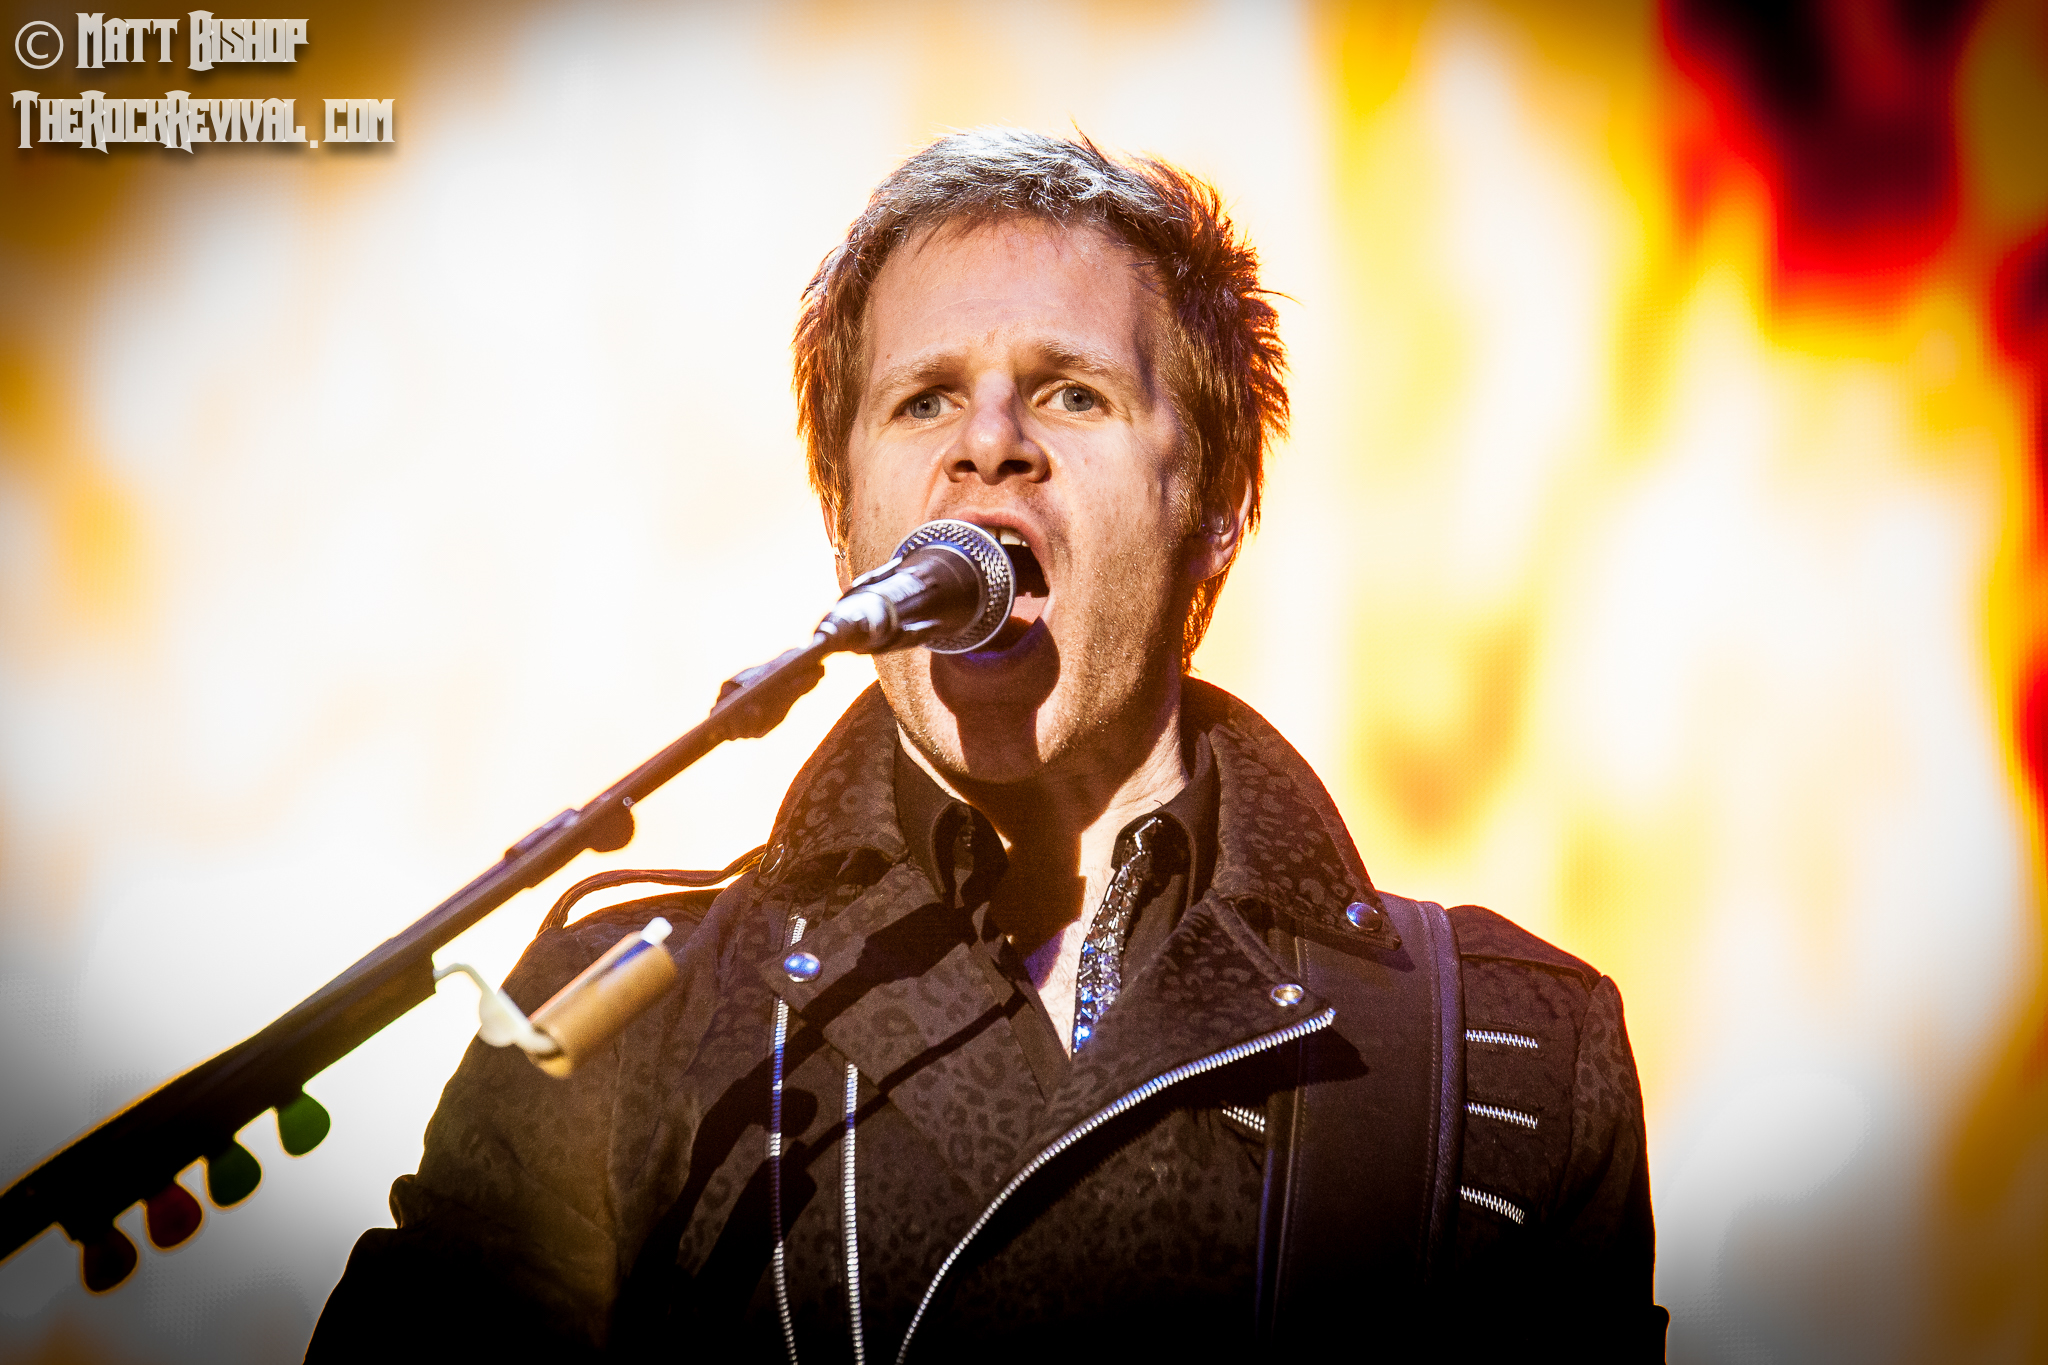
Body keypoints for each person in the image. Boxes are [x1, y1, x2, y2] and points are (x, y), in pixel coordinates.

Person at [308, 129, 1667, 1362]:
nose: (989, 447)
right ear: (847, 522)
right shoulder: (619, 1018)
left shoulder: (1507, 1049)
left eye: (1070, 395)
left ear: (1215, 504)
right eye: (924, 401)